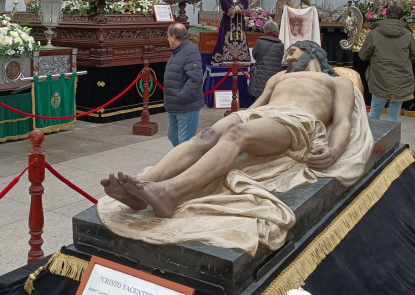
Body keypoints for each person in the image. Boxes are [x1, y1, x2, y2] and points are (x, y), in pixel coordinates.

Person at [101, 40, 371, 218]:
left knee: (236, 135)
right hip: (263, 113)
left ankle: (170, 193)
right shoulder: (279, 77)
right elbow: (259, 105)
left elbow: (343, 120)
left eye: (293, 51)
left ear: (313, 52)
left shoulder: (337, 81)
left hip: (297, 121)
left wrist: (335, 150)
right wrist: (240, 115)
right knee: (207, 134)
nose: (287, 56)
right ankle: (146, 184)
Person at [358, 5, 415, 122]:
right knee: (394, 116)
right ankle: (392, 140)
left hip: (379, 78)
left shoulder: (374, 33)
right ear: (402, 19)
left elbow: (363, 56)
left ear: (385, 16)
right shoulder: (407, 35)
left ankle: (371, 139)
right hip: (400, 79)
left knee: (374, 113)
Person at [162, 23, 204, 147]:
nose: (167, 39)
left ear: (174, 37)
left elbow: (195, 79)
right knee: (172, 135)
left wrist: (181, 97)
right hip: (174, 105)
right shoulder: (177, 51)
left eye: (168, 36)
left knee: (185, 141)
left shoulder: (190, 51)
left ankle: (186, 165)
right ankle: (180, 161)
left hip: (186, 105)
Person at [212, 0, 250, 65]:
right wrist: (230, 9)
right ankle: (225, 58)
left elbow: (245, 2)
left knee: (240, 36)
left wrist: (237, 8)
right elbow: (223, 2)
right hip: (228, 19)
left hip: (239, 19)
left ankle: (241, 58)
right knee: (226, 36)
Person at [247, 19, 284, 98]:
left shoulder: (260, 41)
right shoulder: (280, 45)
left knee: (260, 97)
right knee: (271, 96)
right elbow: (280, 58)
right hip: (274, 74)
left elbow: (254, 54)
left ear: (265, 29)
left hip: (260, 73)